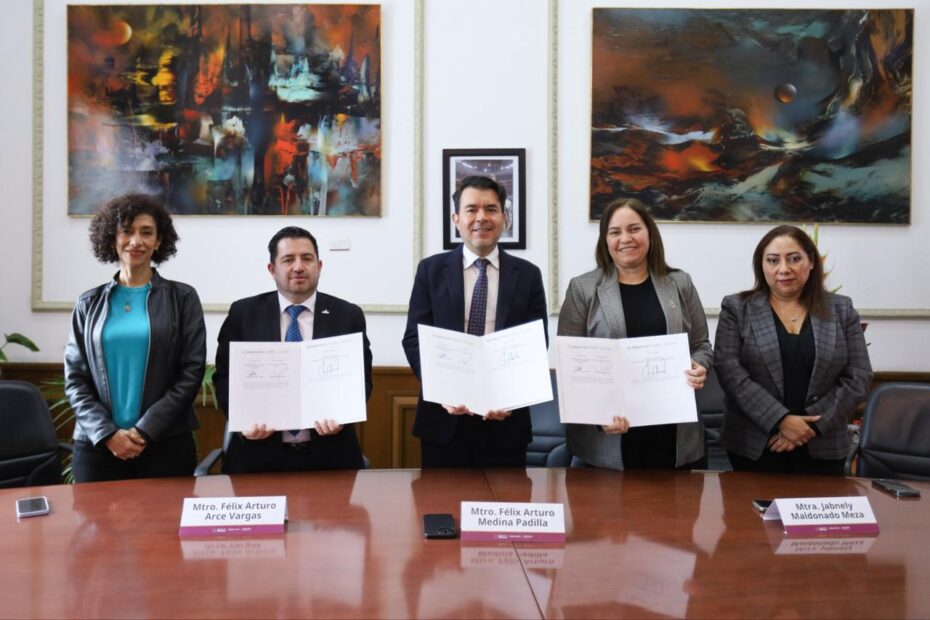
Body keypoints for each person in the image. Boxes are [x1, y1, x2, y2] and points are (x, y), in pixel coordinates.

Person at [402, 175, 548, 468]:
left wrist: (511, 397)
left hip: (506, 421)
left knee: (507, 498)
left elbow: (536, 343)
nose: (482, 217)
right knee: (442, 498)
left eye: (491, 209)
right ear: (456, 219)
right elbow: (414, 339)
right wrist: (441, 389)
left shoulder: (528, 274)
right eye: (471, 209)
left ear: (504, 218)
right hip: (444, 420)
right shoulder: (430, 271)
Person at [558, 198, 712, 470]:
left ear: (650, 233)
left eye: (634, 229)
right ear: (605, 240)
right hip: (609, 437)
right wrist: (597, 417)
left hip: (674, 434)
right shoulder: (583, 289)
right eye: (615, 232)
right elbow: (570, 366)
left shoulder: (680, 283)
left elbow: (701, 345)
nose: (625, 239)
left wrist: (699, 365)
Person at [64, 193, 206, 482]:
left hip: (166, 443)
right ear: (112, 238)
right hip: (98, 446)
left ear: (159, 241)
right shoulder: (88, 303)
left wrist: (144, 431)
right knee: (94, 515)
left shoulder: (182, 298)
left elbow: (191, 372)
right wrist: (107, 434)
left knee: (165, 515)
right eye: (126, 231)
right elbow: (75, 379)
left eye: (146, 232)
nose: (136, 241)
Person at [714, 225, 872, 475]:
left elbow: (859, 376)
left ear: (812, 261)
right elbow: (729, 372)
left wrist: (809, 427)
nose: (784, 269)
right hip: (755, 444)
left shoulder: (841, 309)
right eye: (773, 260)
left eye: (794, 258)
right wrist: (781, 420)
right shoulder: (737, 308)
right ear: (761, 266)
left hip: (823, 444)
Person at [213, 226, 372, 473]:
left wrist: (343, 416)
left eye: (307, 258)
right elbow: (224, 378)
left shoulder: (347, 315)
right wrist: (243, 420)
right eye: (288, 260)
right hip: (256, 455)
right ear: (272, 269)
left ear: (319, 265)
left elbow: (363, 380)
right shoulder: (243, 314)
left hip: (331, 454)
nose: (298, 267)